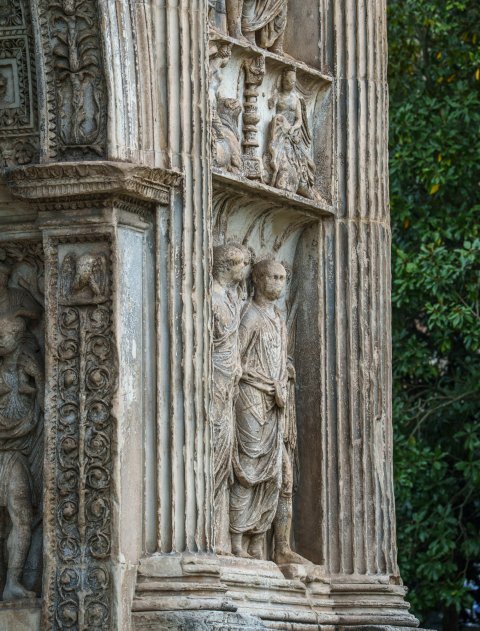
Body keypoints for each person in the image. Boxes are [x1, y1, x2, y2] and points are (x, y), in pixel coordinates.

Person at [229, 259, 288, 559]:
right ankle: (236, 537)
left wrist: (282, 386)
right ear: (257, 279)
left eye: (282, 278)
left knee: (273, 471)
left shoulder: (278, 317)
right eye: (272, 277)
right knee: (249, 464)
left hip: (274, 400)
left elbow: (282, 361)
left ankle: (257, 539)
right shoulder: (249, 315)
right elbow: (235, 358)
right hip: (251, 394)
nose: (278, 283)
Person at [0, 263, 43, 599]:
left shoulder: (27, 360)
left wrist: (38, 379)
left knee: (22, 514)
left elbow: (48, 401)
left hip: (19, 449)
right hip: (9, 447)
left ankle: (13, 582)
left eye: (10, 334)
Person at [212, 244, 248, 555]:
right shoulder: (213, 298)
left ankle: (218, 536)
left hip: (229, 382)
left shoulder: (231, 297)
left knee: (224, 454)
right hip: (215, 379)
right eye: (242, 264)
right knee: (213, 451)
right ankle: (210, 535)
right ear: (227, 265)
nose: (245, 270)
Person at [265, 68, 318, 200]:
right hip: (280, 130)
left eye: (293, 81)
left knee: (303, 160)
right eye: (288, 81)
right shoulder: (278, 96)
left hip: (293, 133)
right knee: (278, 154)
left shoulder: (296, 99)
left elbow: (299, 120)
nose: (290, 84)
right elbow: (270, 106)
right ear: (283, 80)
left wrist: (293, 128)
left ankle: (303, 181)